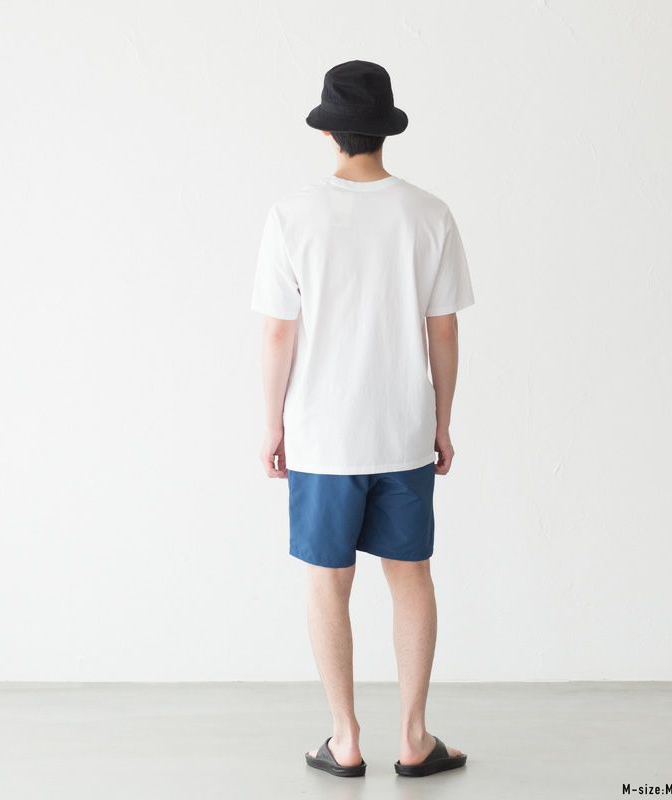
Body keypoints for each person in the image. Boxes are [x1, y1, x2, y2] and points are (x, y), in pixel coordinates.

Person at [250, 60, 475, 778]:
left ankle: (344, 740)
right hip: (403, 428)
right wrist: (442, 421)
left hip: (322, 435)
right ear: (386, 129)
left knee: (329, 581)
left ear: (328, 132)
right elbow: (444, 330)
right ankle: (414, 737)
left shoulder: (292, 216)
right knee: (411, 576)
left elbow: (278, 332)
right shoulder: (429, 213)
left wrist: (273, 423)